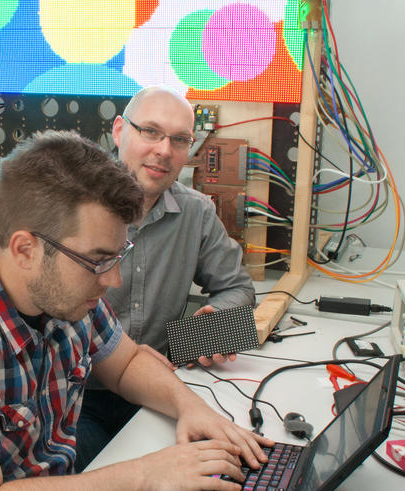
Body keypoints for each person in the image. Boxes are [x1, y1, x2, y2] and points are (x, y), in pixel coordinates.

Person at [0, 130, 272, 490]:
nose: (112, 280)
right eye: (97, 260)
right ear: (26, 249)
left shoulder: (63, 291)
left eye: (116, 256)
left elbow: (127, 362)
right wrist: (147, 475)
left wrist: (192, 409)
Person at [76, 86, 256, 470]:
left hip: (162, 386)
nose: (163, 150)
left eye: (179, 140)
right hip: (77, 398)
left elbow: (239, 289)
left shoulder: (197, 212)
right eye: (151, 132)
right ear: (120, 131)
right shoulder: (71, 204)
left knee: (228, 465)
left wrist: (209, 331)